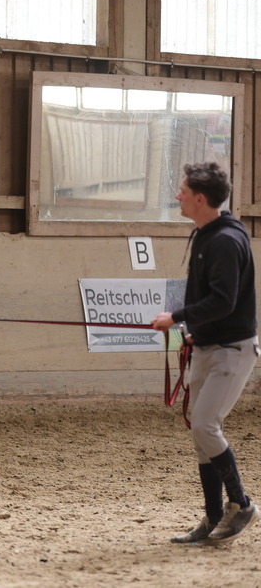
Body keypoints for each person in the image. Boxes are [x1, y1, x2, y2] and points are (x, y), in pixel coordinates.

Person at [151, 161, 259, 545]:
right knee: (200, 432)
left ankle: (242, 504)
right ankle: (214, 518)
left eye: (181, 191)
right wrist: (193, 332)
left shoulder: (225, 241)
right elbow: (209, 299)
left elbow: (224, 301)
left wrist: (176, 317)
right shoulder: (205, 234)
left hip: (232, 350)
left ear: (199, 198)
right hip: (208, 345)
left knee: (205, 425)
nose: (176, 195)